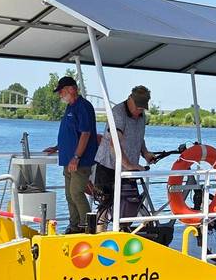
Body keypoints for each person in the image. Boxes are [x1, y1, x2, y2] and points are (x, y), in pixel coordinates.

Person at [43, 76, 97, 233]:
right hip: (68, 160)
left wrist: (76, 157)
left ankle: (88, 227)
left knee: (77, 193)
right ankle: (74, 226)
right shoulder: (70, 107)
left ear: (72, 89)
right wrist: (57, 147)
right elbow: (70, 133)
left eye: (61, 91)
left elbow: (85, 133)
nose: (60, 95)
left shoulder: (83, 106)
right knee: (69, 195)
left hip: (80, 161)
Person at [93, 85, 156, 219]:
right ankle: (100, 231)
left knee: (129, 205)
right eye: (137, 107)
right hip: (108, 166)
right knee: (105, 206)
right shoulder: (118, 112)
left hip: (128, 170)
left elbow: (138, 137)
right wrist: (129, 165)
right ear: (130, 99)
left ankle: (125, 229)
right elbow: (114, 143)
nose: (139, 111)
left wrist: (145, 153)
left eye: (142, 108)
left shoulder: (141, 116)